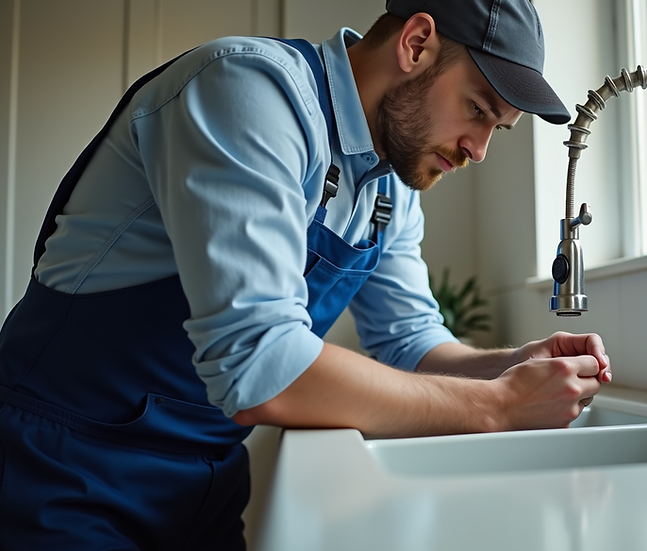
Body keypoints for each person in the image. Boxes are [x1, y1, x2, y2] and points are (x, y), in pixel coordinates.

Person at [0, 0, 612, 548]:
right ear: (416, 43)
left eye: (496, 129)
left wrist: (511, 366)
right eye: (476, 109)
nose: (479, 149)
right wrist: (497, 405)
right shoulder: (247, 90)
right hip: (64, 468)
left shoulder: (389, 190)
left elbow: (410, 346)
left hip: (201, 486)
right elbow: (260, 364)